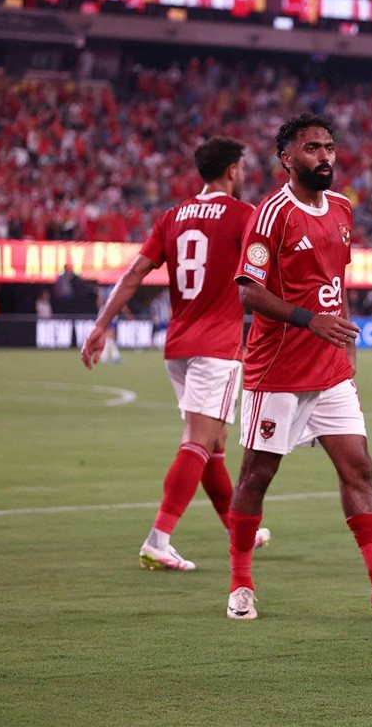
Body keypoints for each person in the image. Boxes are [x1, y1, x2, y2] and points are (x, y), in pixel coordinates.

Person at [225, 112, 372, 621]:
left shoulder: (343, 209)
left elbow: (336, 286)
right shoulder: (271, 215)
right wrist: (311, 321)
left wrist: (347, 353)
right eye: (312, 148)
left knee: (359, 466)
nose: (324, 156)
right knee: (257, 475)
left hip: (330, 371)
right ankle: (240, 584)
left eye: (329, 147)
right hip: (277, 370)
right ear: (287, 158)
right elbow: (249, 293)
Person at [82, 136, 268, 571]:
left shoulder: (173, 217)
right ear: (232, 171)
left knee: (213, 443)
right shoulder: (244, 215)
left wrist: (101, 324)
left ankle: (237, 529)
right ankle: (158, 538)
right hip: (216, 347)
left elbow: (134, 273)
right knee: (198, 441)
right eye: (242, 168)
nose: (243, 174)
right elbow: (264, 274)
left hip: (178, 346)